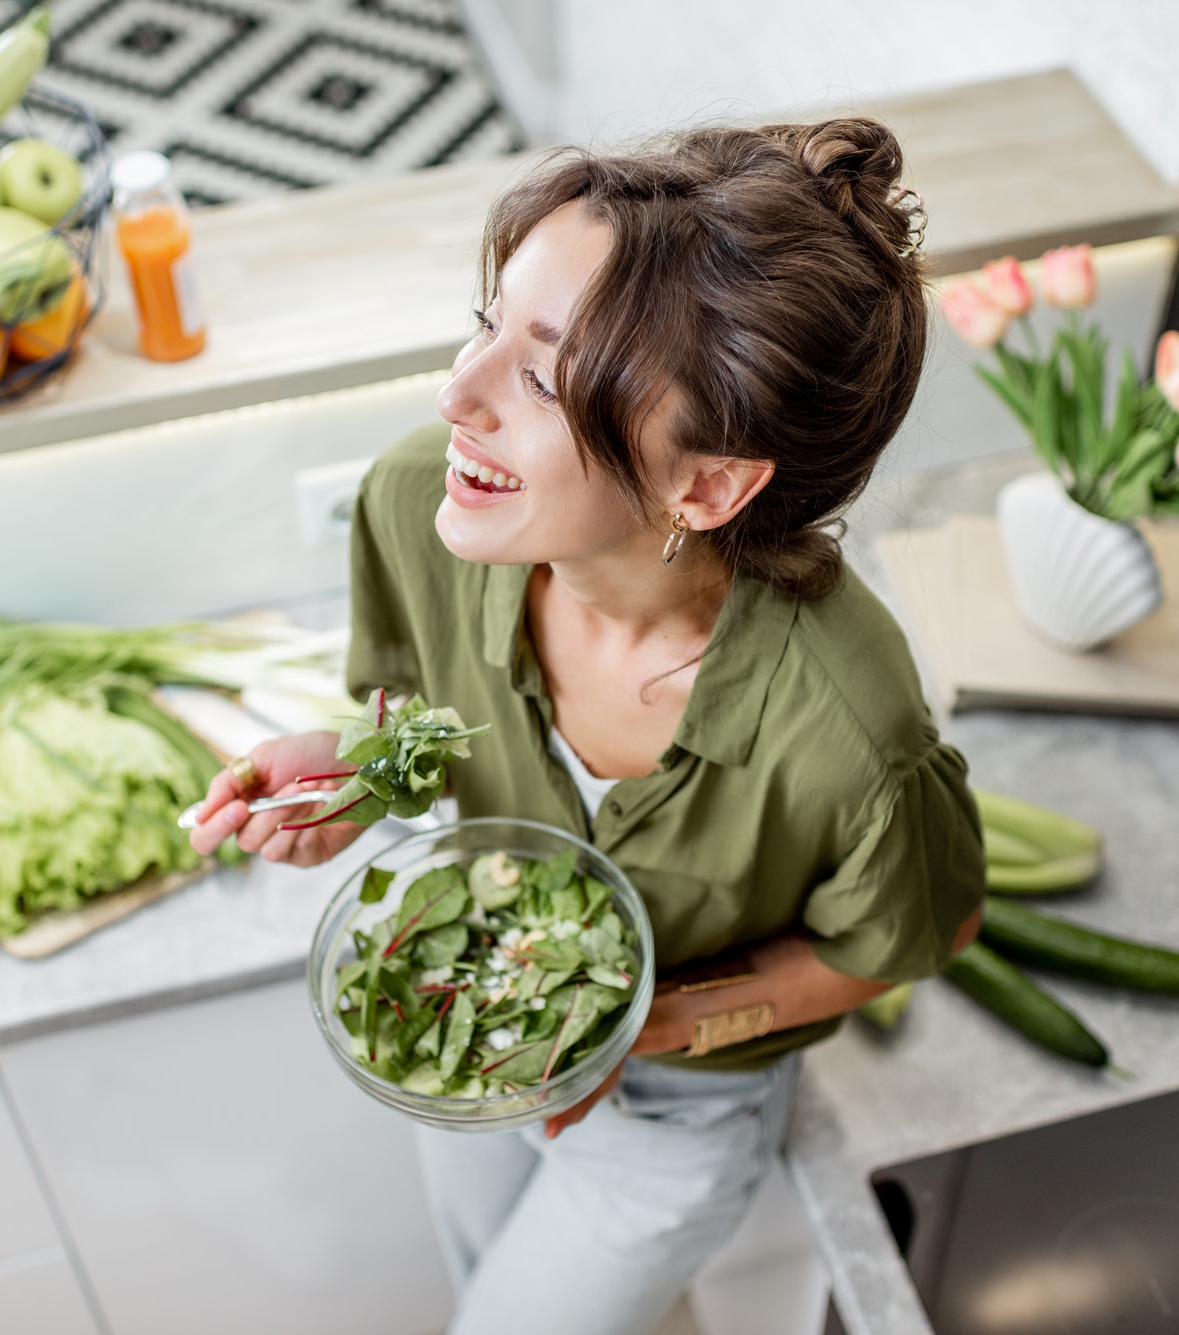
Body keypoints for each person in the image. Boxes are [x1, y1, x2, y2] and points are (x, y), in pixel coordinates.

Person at [188, 116, 987, 1335]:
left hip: (680, 1112)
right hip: (478, 1001)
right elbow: (428, 710)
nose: (457, 395)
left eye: (541, 375)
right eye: (483, 326)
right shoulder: (423, 501)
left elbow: (910, 935)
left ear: (704, 486)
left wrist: (640, 1024)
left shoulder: (848, 726)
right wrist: (362, 773)